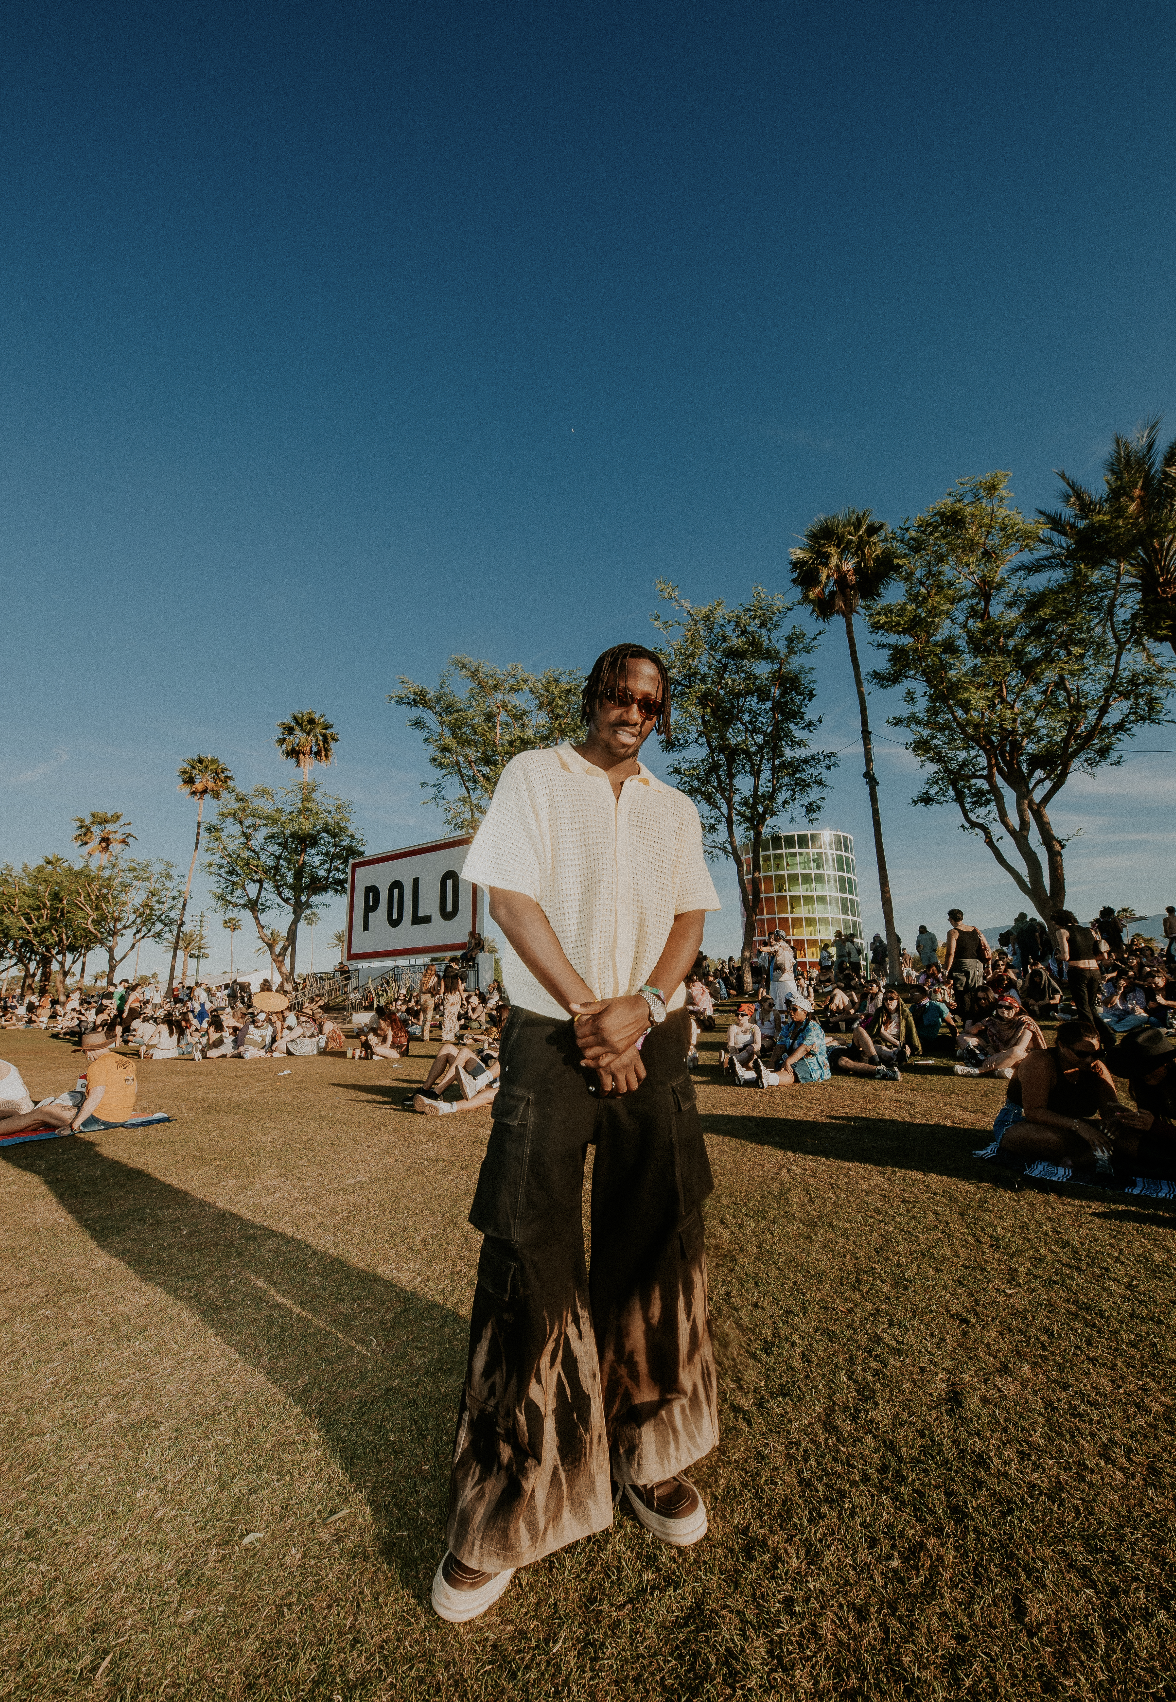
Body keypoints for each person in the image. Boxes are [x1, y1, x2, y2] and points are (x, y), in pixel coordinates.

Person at [431, 642, 721, 1625]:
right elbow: (510, 897)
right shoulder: (533, 776)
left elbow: (688, 917)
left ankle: (652, 1456)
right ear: (592, 695)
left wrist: (641, 1004)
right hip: (551, 1037)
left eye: (649, 700)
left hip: (655, 1036)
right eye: (618, 692)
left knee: (659, 1248)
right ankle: (509, 1506)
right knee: (528, 1254)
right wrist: (591, 1012)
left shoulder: (676, 809)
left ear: (661, 714)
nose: (631, 709)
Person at [740, 992, 830, 1087]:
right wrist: (772, 1061)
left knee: (791, 1072)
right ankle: (745, 1075)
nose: (790, 1011)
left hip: (811, 1063)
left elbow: (805, 1048)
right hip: (791, 1059)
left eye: (794, 1009)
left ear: (805, 1012)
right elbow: (780, 1045)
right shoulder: (789, 1027)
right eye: (790, 1009)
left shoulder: (813, 1028)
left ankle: (767, 1079)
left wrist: (788, 1061)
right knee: (774, 1066)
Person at [1053, 909, 1112, 1047]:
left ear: (1058, 922)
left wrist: (1057, 957)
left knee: (1083, 1007)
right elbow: (1102, 955)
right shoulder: (1090, 931)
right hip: (1094, 970)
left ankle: (1092, 1039)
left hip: (1078, 970)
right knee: (1090, 1006)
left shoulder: (1062, 932)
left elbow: (1065, 956)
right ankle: (1108, 1035)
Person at [831, 987, 915, 1080]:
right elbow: (879, 1031)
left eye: (891, 999)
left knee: (859, 1030)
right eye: (885, 999)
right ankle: (884, 1065)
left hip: (894, 1043)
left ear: (897, 1000)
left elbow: (911, 1033)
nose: (888, 1001)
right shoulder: (880, 1012)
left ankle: (885, 1060)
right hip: (879, 1043)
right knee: (844, 1061)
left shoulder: (904, 1014)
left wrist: (906, 1046)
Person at [954, 993, 1045, 1078]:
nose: (1003, 1009)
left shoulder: (1025, 1022)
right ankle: (1001, 1069)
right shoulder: (993, 1021)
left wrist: (998, 1055)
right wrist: (977, 1027)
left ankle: (979, 1070)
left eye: (1008, 1007)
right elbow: (968, 1031)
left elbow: (1020, 1047)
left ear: (1016, 1009)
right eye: (1000, 1006)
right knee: (962, 1038)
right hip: (998, 1053)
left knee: (1015, 1051)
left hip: (1023, 1056)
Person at [942, 909, 991, 1018]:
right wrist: (988, 966)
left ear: (951, 919)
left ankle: (967, 1019)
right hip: (977, 965)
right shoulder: (975, 930)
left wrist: (946, 970)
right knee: (976, 992)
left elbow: (950, 953)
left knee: (962, 993)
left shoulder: (953, 932)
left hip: (961, 965)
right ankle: (979, 1016)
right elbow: (986, 947)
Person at [722, 1004, 761, 1075]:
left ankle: (732, 1062)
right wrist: (734, 1052)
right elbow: (731, 1044)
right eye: (737, 1014)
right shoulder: (732, 1027)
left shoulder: (754, 1028)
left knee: (749, 1062)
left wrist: (752, 1047)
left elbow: (758, 1044)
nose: (739, 1017)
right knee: (747, 1065)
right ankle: (735, 1063)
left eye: (742, 1015)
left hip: (749, 1052)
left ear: (749, 1016)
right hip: (736, 1052)